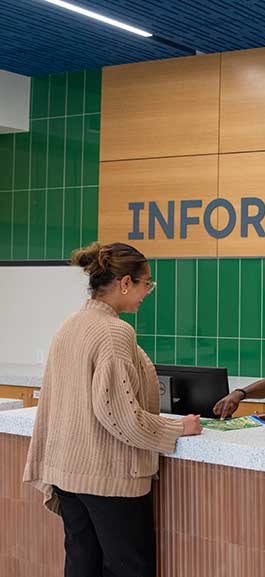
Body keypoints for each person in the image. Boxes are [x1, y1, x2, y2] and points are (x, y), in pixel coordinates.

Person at [22, 242, 202, 577]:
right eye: (146, 283)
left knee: (82, 563)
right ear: (124, 283)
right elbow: (120, 416)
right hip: (108, 478)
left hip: (67, 472)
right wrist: (178, 429)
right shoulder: (114, 332)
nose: (147, 292)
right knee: (130, 568)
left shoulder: (71, 325)